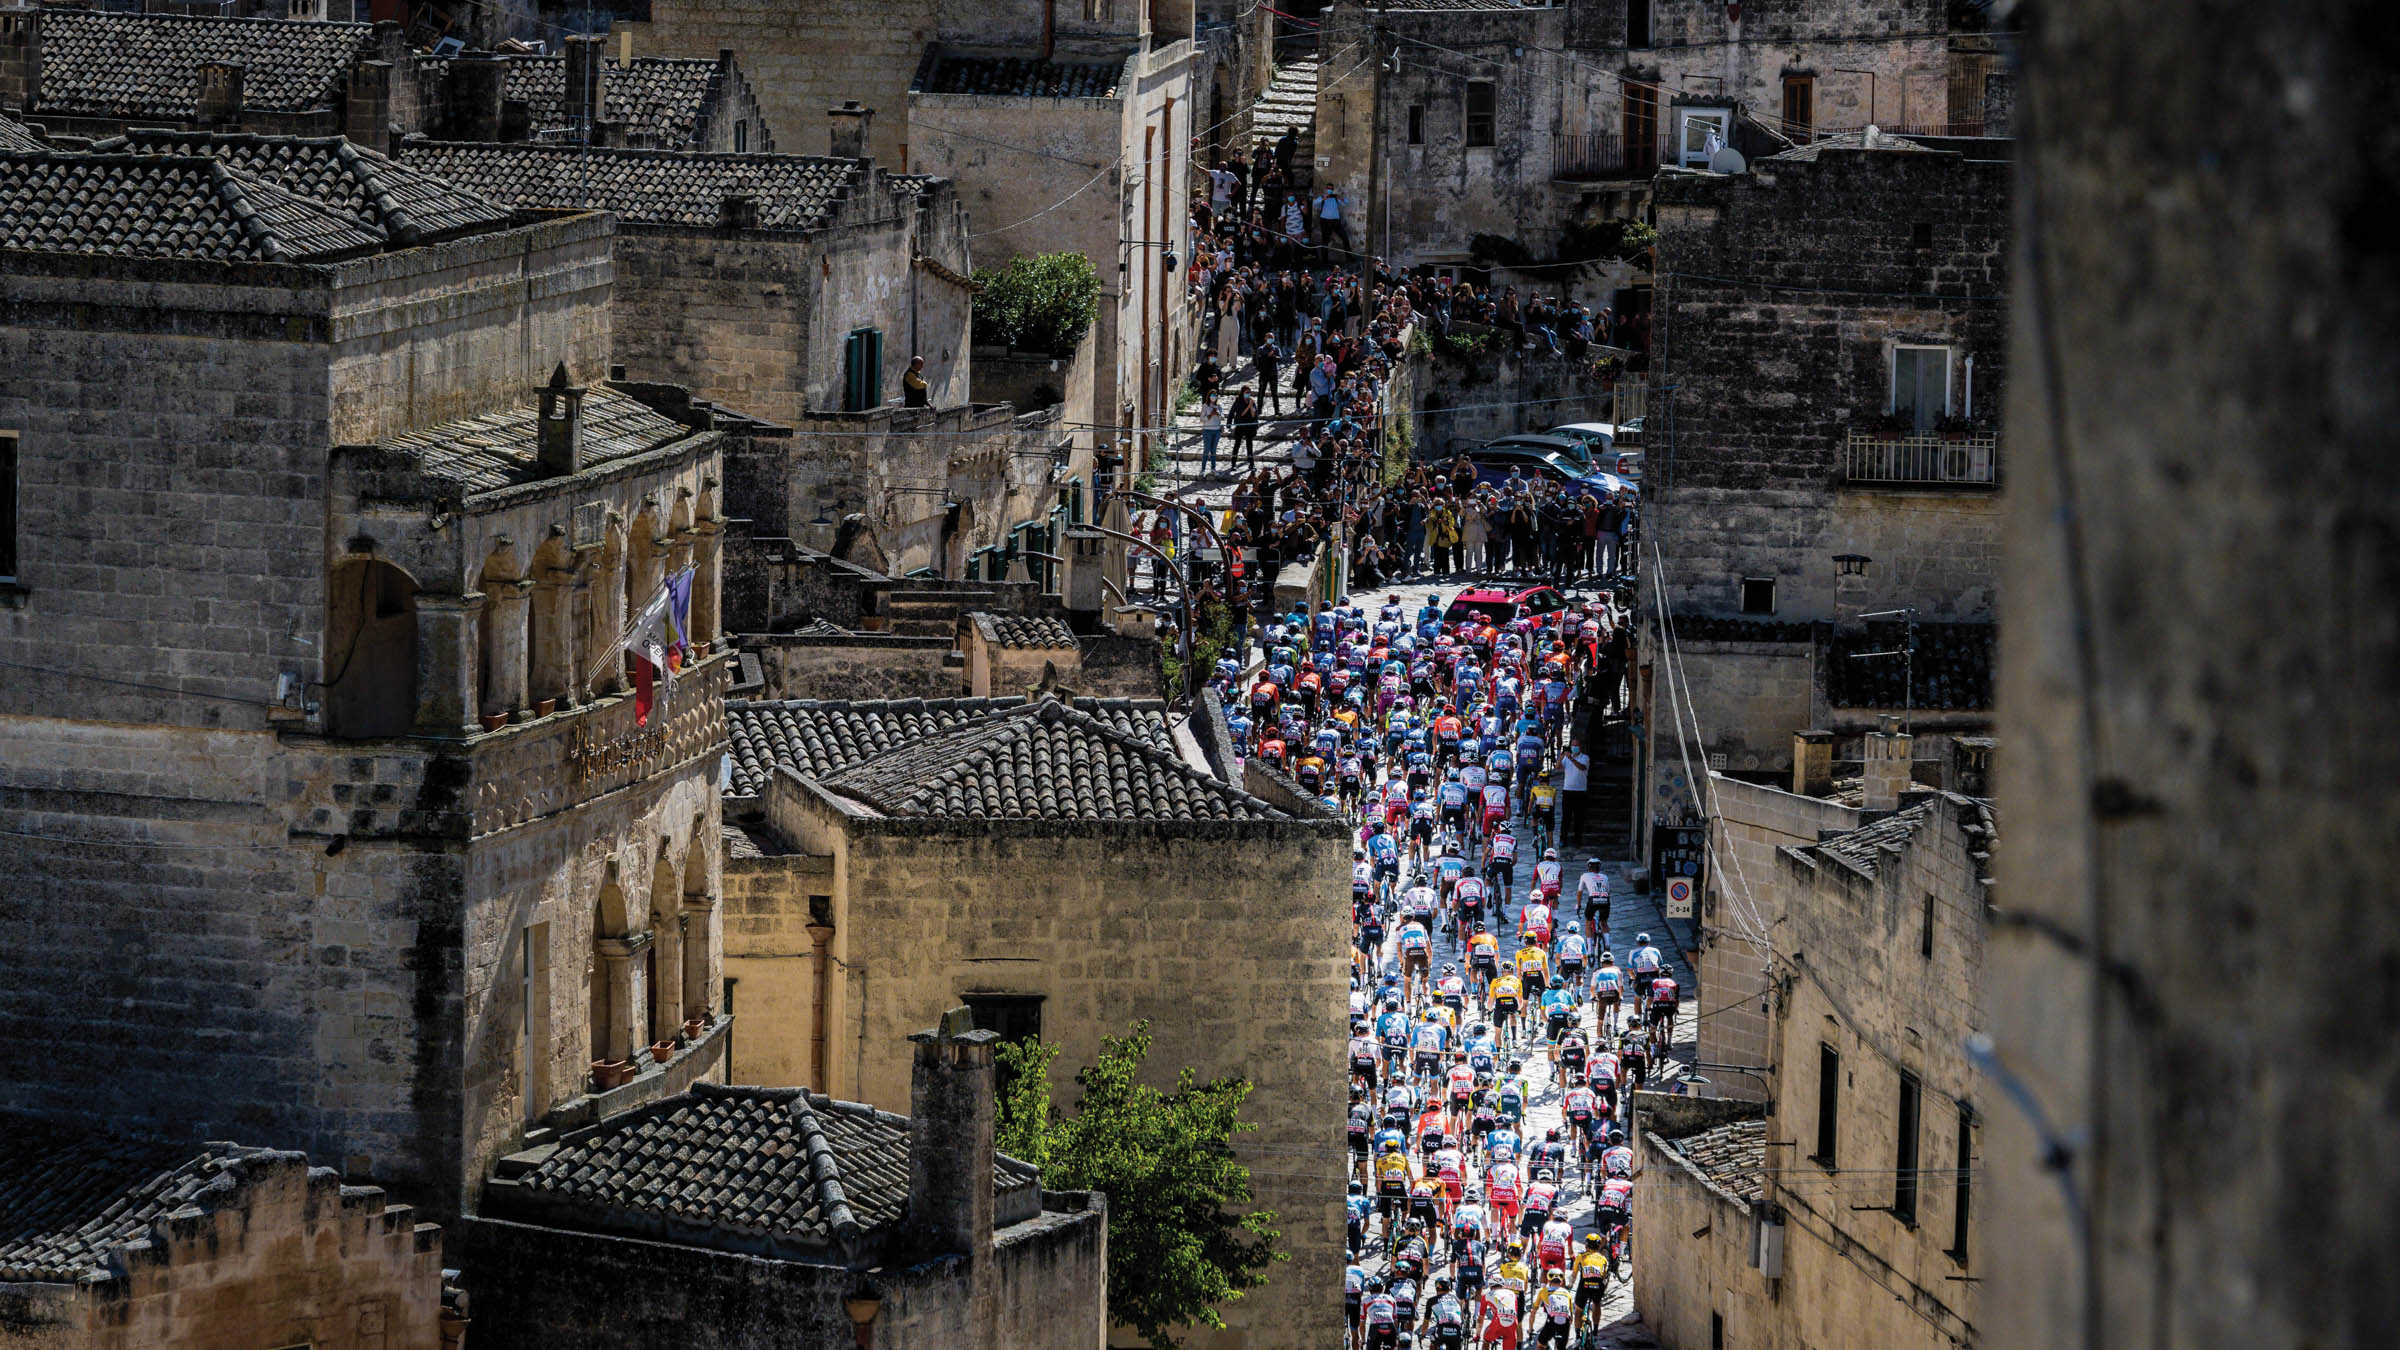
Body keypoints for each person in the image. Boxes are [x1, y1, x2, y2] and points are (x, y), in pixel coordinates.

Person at [1199, 396, 1224, 477]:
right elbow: (1202, 419)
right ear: (1209, 396)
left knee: (1213, 451)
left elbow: (1222, 417)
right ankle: (1203, 470)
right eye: (1212, 395)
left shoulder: (1219, 406)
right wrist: (1210, 415)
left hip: (1217, 431)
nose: (1214, 397)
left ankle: (1213, 469)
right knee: (1206, 450)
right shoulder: (1205, 406)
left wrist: (1217, 413)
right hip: (1207, 431)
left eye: (1215, 396)